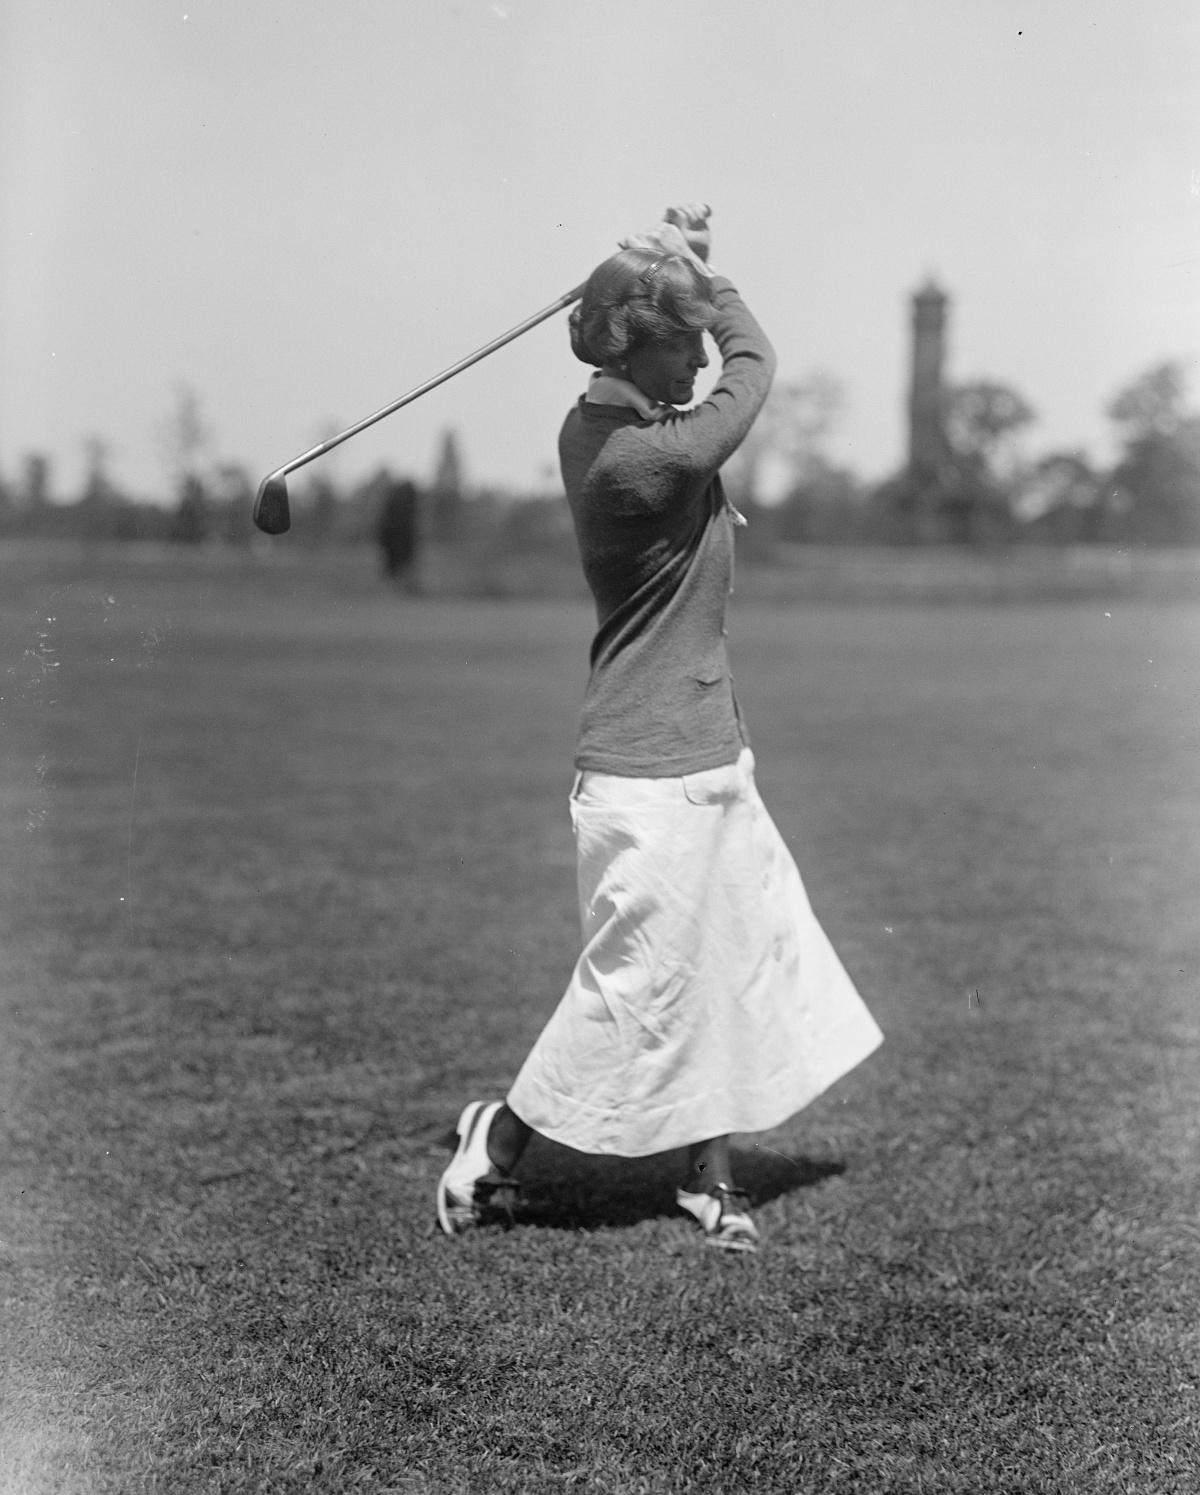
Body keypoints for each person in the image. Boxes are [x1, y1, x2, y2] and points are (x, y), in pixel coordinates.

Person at [437, 205, 883, 1252]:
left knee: (727, 969)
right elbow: (754, 360)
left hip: (710, 755)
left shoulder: (605, 418)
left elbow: (695, 351)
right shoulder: (639, 460)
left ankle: (707, 1175)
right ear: (638, 342)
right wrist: (706, 289)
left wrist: (679, 274)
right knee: (633, 992)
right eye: (678, 344)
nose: (696, 363)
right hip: (645, 777)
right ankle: (494, 1137)